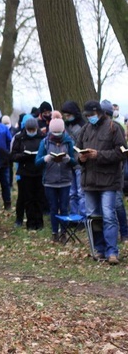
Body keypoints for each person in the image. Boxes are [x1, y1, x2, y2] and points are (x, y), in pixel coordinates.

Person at [76, 100, 125, 264]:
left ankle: (112, 252)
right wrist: (81, 158)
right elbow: (77, 151)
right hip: (89, 181)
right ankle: (99, 249)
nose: (90, 118)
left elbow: (121, 153)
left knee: (109, 216)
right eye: (87, 115)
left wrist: (99, 155)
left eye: (91, 115)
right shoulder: (85, 129)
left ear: (99, 112)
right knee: (93, 217)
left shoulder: (114, 128)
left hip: (109, 181)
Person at [35, 118, 77, 243]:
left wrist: (69, 159)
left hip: (65, 180)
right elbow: (37, 162)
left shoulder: (69, 142)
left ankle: (63, 232)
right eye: (55, 133)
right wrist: (45, 158)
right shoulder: (45, 142)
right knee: (53, 207)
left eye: (59, 133)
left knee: (64, 207)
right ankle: (54, 232)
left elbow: (75, 162)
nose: (57, 135)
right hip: (50, 181)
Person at [10, 118, 45, 230]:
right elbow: (13, 155)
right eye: (29, 129)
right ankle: (30, 223)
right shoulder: (19, 138)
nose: (31, 131)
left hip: (39, 172)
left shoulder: (42, 137)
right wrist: (23, 156)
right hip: (25, 172)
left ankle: (39, 222)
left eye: (33, 129)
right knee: (28, 199)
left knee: (39, 198)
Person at [60, 101, 86, 215]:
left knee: (81, 192)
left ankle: (82, 215)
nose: (67, 117)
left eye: (68, 114)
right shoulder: (66, 126)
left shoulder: (83, 125)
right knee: (72, 192)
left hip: (79, 162)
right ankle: (74, 215)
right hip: (69, 162)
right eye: (65, 115)